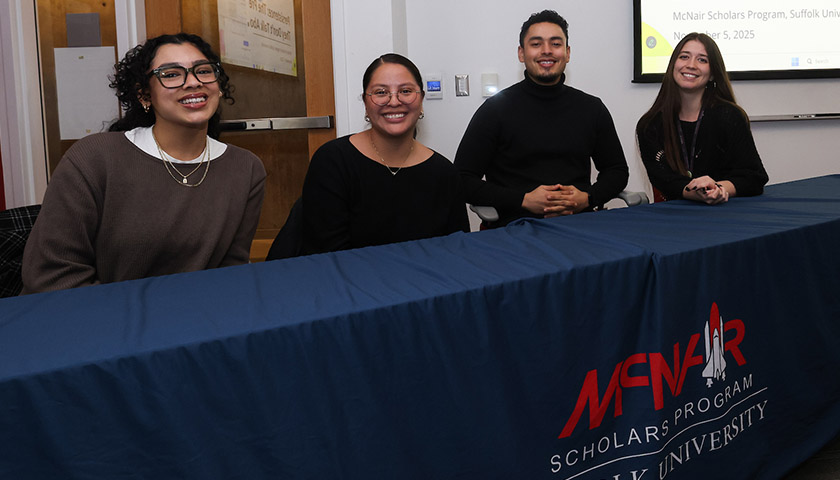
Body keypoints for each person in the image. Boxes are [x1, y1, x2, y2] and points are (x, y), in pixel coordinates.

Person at [21, 33, 266, 293]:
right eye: (171, 74)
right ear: (144, 95)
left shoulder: (246, 168)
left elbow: (231, 271)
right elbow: (52, 276)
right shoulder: (94, 158)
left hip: (195, 321)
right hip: (96, 321)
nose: (193, 82)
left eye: (204, 71)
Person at [454, 10, 629, 228]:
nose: (546, 51)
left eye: (555, 44)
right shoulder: (494, 110)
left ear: (567, 53)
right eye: (536, 44)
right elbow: (461, 179)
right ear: (521, 53)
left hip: (580, 225)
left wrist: (588, 197)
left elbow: (617, 171)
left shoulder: (592, 108)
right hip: (514, 228)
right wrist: (523, 200)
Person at [294, 53, 468, 255]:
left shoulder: (444, 173)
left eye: (405, 91)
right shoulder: (333, 161)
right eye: (380, 92)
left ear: (421, 99)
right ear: (365, 103)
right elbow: (326, 254)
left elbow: (456, 251)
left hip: (426, 283)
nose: (394, 101)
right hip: (349, 282)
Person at [636, 33, 768, 204]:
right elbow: (664, 181)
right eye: (684, 57)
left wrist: (718, 189)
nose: (691, 65)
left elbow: (754, 177)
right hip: (673, 217)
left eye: (702, 60)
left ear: (713, 74)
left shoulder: (730, 116)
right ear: (673, 65)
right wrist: (695, 192)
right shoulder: (650, 125)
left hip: (725, 215)